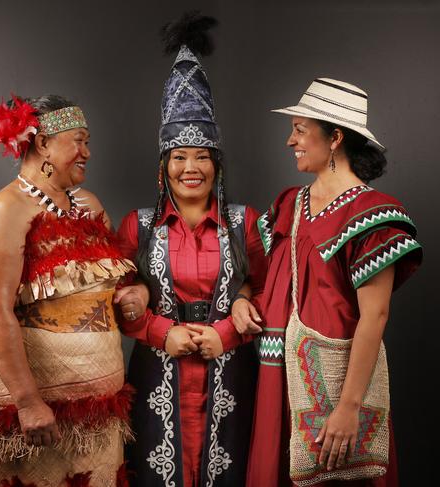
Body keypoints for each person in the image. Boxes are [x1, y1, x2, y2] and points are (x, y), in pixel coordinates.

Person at [247, 78, 423, 487]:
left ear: (336, 138)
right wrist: (242, 298)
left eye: (300, 130)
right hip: (280, 372)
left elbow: (375, 316)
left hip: (334, 380)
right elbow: (261, 276)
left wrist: (349, 406)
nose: (290, 141)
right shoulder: (289, 204)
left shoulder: (373, 214)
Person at [115, 13, 266, 487]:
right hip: (156, 380)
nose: (191, 167)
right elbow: (114, 303)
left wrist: (232, 327)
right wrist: (160, 332)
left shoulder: (247, 222)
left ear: (217, 166)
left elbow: (271, 290)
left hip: (233, 380)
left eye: (202, 156)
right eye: (179, 157)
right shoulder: (137, 225)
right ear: (164, 168)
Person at [0, 94, 144, 486]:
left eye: (88, 141)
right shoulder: (6, 209)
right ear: (43, 143)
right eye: (79, 140)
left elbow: (114, 283)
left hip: (101, 410)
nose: (88, 153)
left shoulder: (90, 205)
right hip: (43, 412)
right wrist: (28, 403)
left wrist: (135, 296)